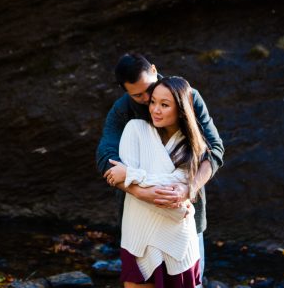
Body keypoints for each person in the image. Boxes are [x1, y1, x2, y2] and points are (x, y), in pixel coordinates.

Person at [96, 53, 224, 281]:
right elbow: (105, 156)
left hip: (182, 210)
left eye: (150, 89)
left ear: (154, 70)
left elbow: (214, 150)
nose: (147, 100)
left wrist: (189, 189)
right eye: (138, 95)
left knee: (190, 279)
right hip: (140, 216)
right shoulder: (123, 109)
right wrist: (140, 192)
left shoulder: (188, 96)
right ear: (125, 91)